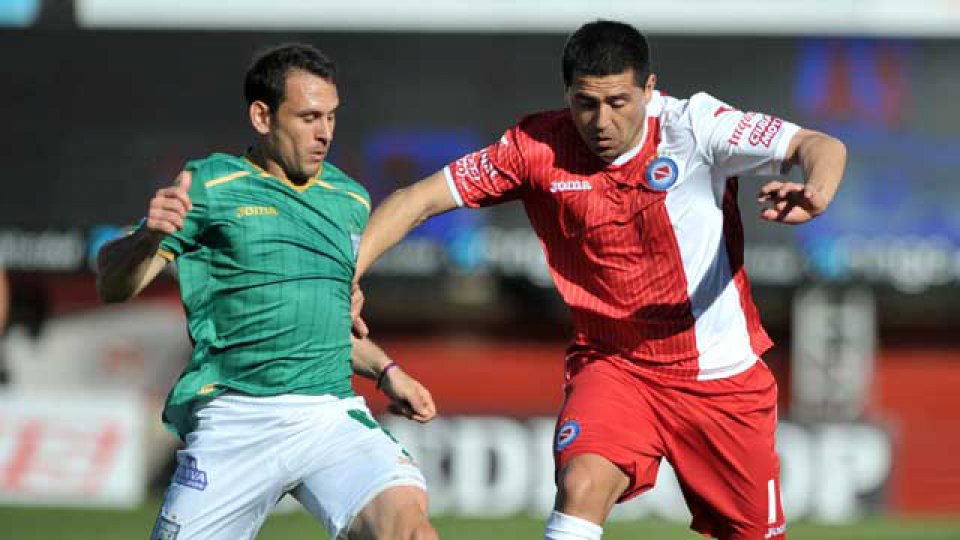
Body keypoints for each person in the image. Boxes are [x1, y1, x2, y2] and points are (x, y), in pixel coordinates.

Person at [354, 20, 846, 540]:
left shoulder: (696, 126)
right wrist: (348, 276)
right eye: (586, 103)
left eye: (618, 102)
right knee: (582, 484)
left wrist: (817, 190)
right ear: (567, 94)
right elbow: (416, 199)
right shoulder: (534, 147)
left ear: (649, 89)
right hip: (616, 366)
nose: (601, 121)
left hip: (722, 379)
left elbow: (820, 145)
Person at [96, 43, 438, 540]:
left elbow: (318, 325)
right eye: (308, 117)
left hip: (328, 416)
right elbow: (112, 285)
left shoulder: (349, 199)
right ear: (262, 117)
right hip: (237, 418)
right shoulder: (210, 184)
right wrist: (147, 238)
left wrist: (387, 371)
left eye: (331, 117)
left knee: (410, 532)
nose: (324, 133)